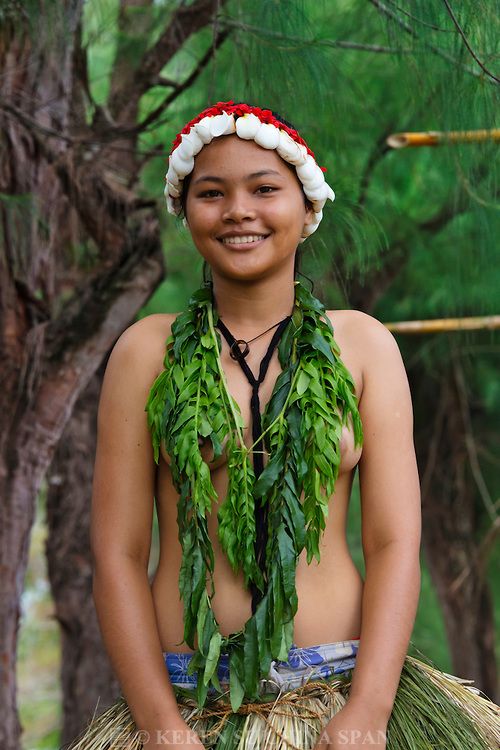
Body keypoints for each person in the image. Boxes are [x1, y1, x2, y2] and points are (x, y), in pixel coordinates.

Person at [67, 102, 499, 750]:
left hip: (343, 692)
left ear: (307, 208)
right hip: (187, 700)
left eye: (265, 189)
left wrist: (370, 712)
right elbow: (118, 555)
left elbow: (392, 543)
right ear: (186, 213)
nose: (238, 210)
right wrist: (160, 725)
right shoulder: (145, 353)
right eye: (211, 193)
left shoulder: (363, 346)